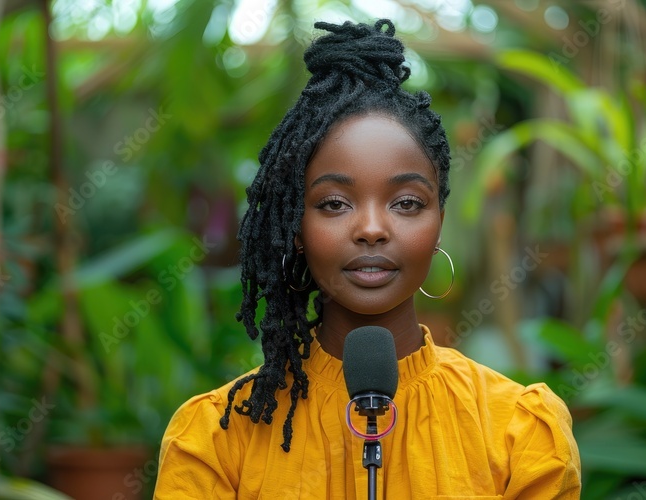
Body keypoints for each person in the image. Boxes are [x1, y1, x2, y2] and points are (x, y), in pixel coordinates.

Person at [154, 19, 581, 499]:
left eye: (406, 203)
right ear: (296, 227)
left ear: (438, 220)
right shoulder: (213, 442)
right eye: (334, 203)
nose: (372, 228)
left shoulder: (519, 433)